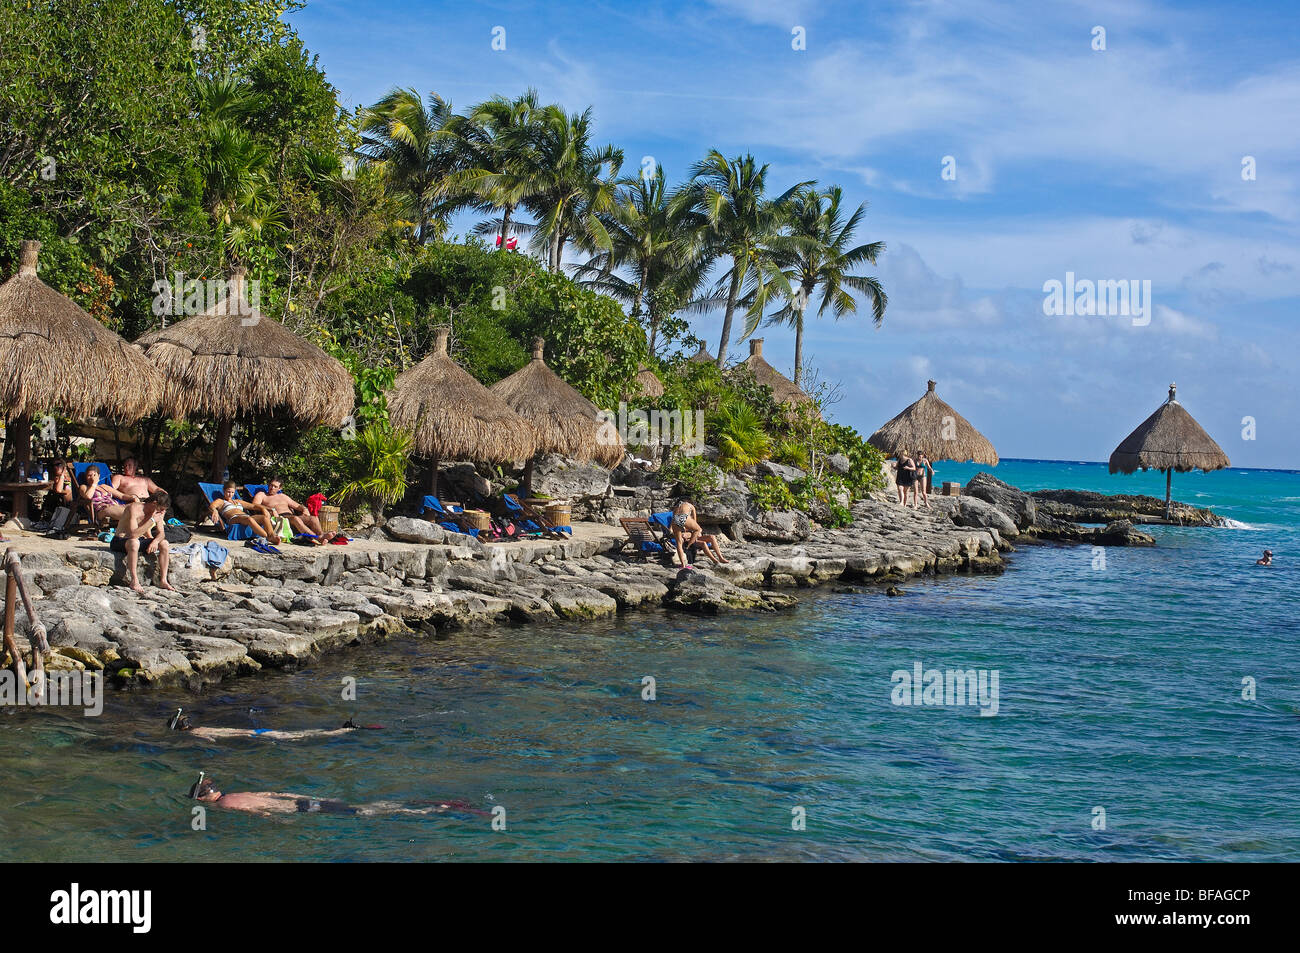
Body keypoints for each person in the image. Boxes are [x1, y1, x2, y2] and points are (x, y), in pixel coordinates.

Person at [187, 773, 487, 818]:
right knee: (364, 806)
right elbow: (277, 793)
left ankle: (434, 810)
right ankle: (430, 804)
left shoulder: (227, 804)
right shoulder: (238, 792)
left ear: (203, 799)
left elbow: (261, 812)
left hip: (305, 812)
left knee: (367, 813)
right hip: (304, 802)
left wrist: (278, 822)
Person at [168, 708, 380, 740]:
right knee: (301, 733)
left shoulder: (195, 734)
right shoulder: (198, 729)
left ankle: (341, 731)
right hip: (255, 732)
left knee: (297, 736)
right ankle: (339, 730)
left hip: (255, 735)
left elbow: (212, 739)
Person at [112, 490, 176, 593]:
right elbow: (133, 535)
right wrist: (152, 520)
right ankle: (134, 580)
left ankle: (163, 580)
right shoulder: (134, 508)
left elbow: (162, 533)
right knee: (134, 542)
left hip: (138, 540)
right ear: (154, 503)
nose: (162, 512)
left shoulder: (158, 512)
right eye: (162, 509)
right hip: (121, 540)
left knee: (164, 543)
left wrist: (155, 541)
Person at [251, 475, 326, 542]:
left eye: (275, 486)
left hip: (291, 517)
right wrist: (271, 509)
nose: (272, 488)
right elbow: (254, 505)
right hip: (279, 518)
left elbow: (298, 506)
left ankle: (322, 536)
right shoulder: (262, 495)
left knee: (314, 518)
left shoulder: (283, 496)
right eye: (271, 485)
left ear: (280, 488)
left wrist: (304, 509)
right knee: (295, 519)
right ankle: (317, 538)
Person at [209, 481, 278, 541]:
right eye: (228, 492)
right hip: (233, 518)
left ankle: (271, 535)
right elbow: (212, 506)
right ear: (224, 491)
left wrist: (266, 509)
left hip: (245, 517)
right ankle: (266, 537)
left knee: (264, 518)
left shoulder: (238, 501)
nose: (230, 494)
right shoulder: (221, 501)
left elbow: (253, 506)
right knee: (249, 519)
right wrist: (214, 510)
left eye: (232, 492)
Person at [670, 499, 728, 568]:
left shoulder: (677, 509)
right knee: (698, 529)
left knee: (711, 537)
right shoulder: (690, 506)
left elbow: (674, 522)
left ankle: (683, 564)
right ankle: (688, 547)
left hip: (679, 523)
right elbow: (695, 522)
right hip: (687, 537)